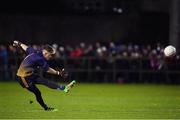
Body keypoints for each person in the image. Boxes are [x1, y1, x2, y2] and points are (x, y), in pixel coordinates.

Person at [13, 40, 76, 111]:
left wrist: (19, 43)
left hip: (30, 75)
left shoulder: (35, 52)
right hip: (23, 78)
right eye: (50, 54)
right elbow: (48, 69)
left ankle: (64, 88)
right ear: (45, 53)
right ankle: (46, 108)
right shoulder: (39, 59)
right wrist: (58, 73)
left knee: (45, 81)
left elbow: (26, 48)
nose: (51, 56)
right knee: (38, 93)